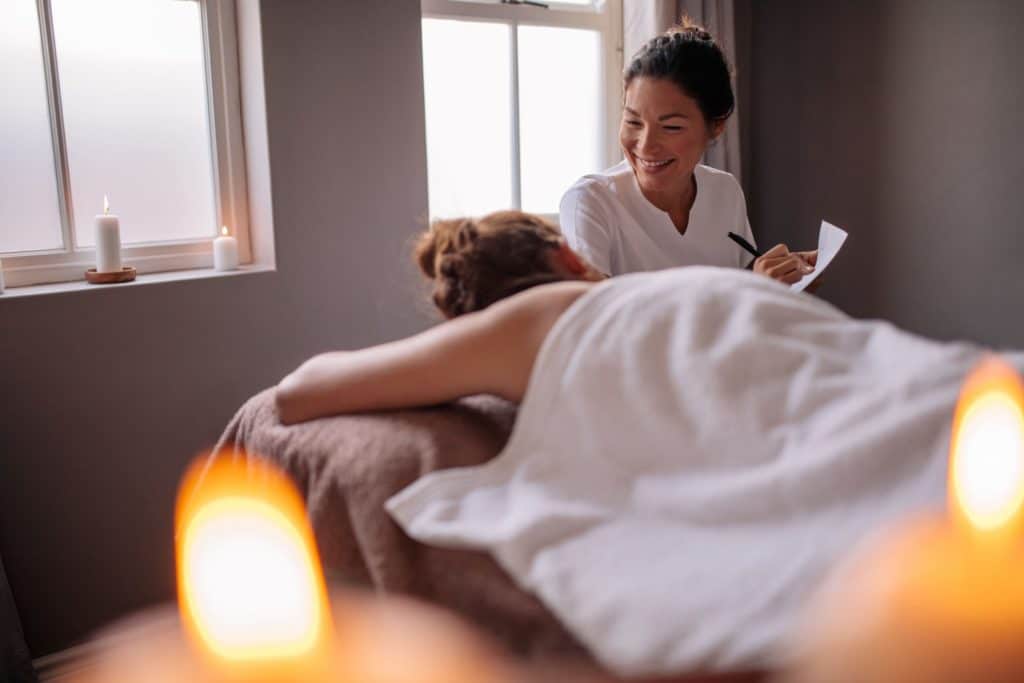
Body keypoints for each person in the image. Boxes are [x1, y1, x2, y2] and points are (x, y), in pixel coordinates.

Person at [559, 20, 815, 284]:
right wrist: (754, 290)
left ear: (716, 125)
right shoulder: (591, 202)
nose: (645, 145)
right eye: (633, 122)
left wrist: (781, 279)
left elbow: (737, 297)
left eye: (670, 127)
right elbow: (598, 319)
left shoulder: (725, 191)